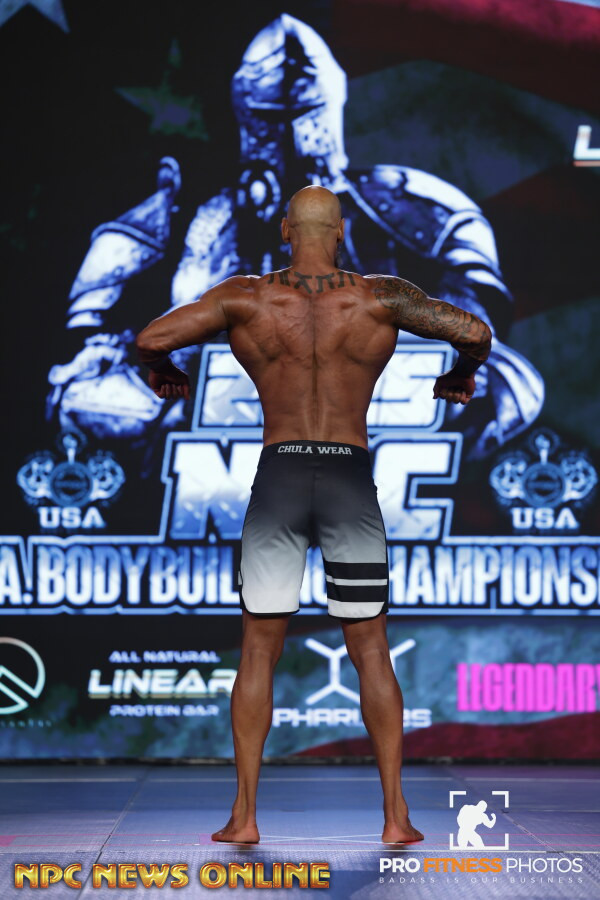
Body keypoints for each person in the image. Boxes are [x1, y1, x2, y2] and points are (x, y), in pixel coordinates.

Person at [136, 185, 492, 845]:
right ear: (342, 230)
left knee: (258, 649)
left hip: (280, 477)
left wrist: (161, 374)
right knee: (371, 649)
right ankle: (396, 818)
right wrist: (458, 376)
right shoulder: (381, 297)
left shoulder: (245, 297)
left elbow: (150, 338)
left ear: (283, 230)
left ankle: (244, 817)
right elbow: (475, 332)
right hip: (349, 480)